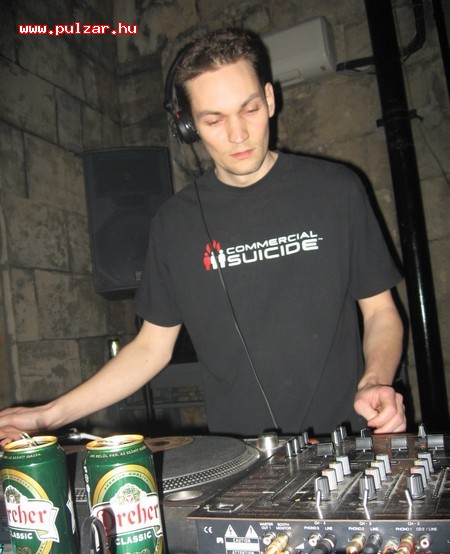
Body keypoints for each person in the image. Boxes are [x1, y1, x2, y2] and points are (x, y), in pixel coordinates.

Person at [0, 28, 406, 445]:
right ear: (189, 126)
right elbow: (151, 347)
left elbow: (380, 311)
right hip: (240, 457)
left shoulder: (336, 189)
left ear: (270, 99)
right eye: (214, 120)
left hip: (347, 442)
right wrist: (49, 414)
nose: (238, 134)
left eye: (249, 109)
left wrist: (375, 380)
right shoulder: (174, 225)